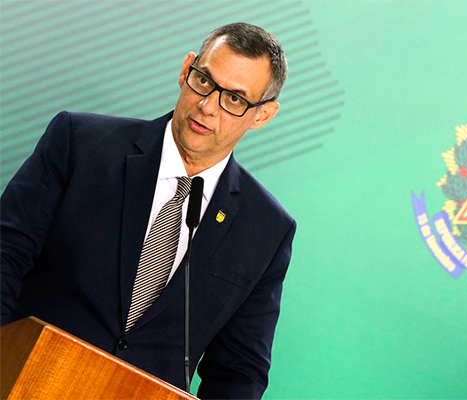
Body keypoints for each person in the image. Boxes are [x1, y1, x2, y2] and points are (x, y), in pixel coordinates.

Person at [0, 22, 296, 399]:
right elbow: (6, 256)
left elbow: (240, 369)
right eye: (204, 80)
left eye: (234, 99)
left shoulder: (267, 229)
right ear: (186, 69)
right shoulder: (79, 143)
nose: (207, 106)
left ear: (263, 115)